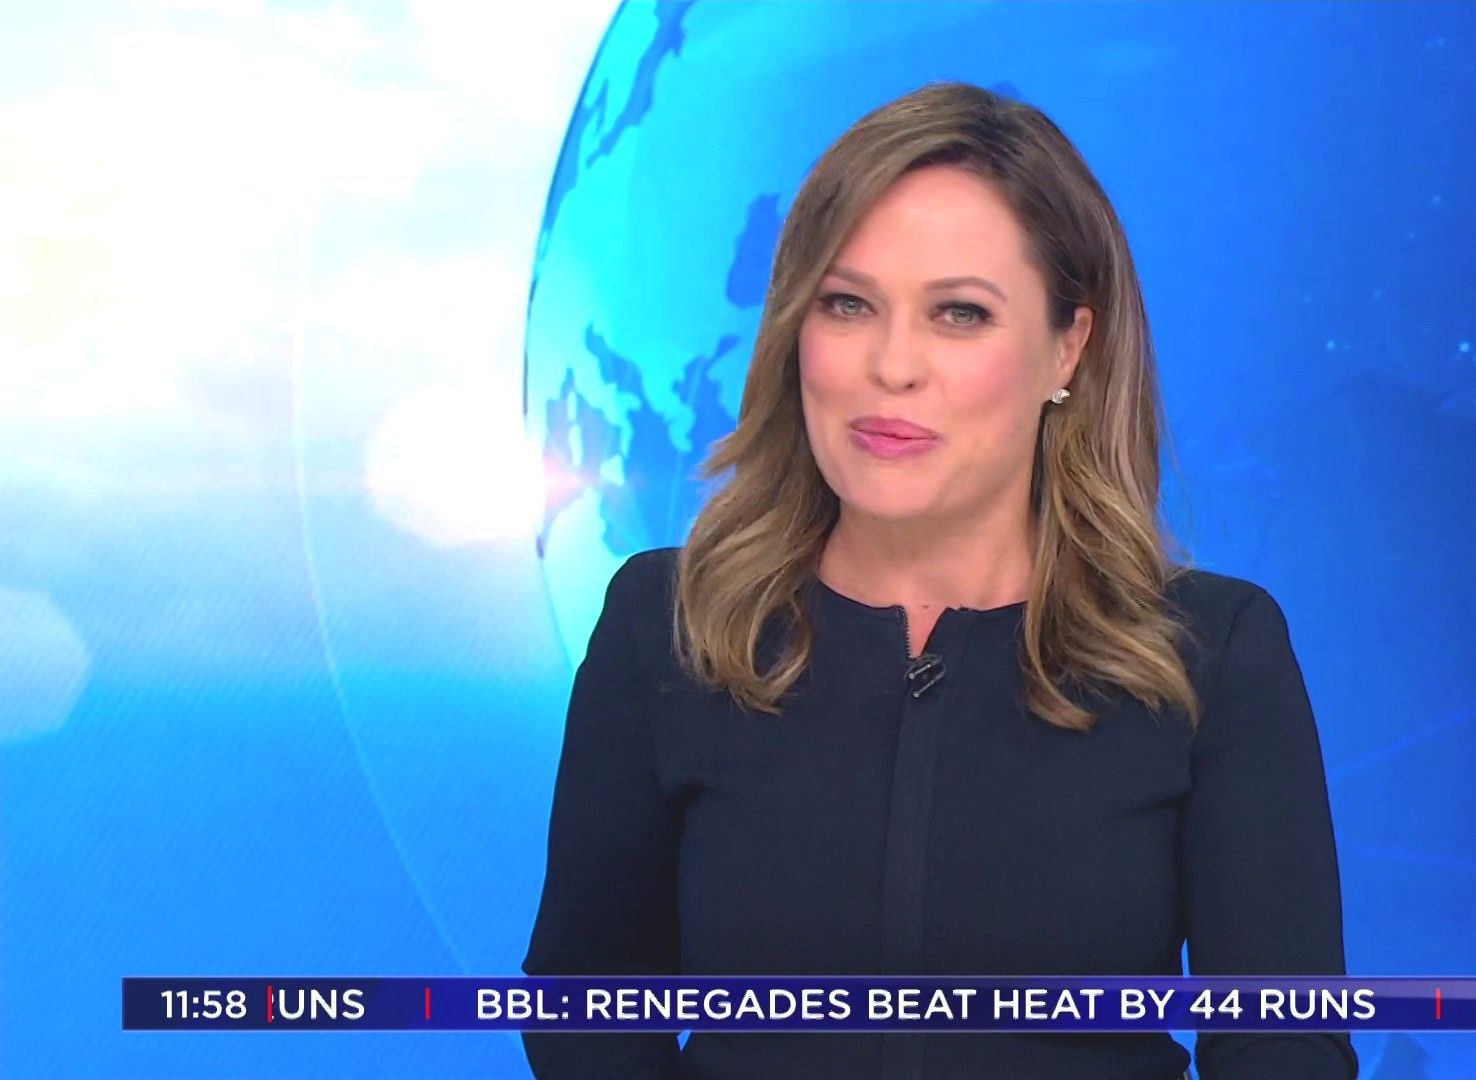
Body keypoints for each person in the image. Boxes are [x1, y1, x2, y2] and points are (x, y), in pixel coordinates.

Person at [521, 80, 1357, 1080]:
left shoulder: (1212, 655)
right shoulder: (667, 626)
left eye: (960, 314)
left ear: (1068, 348)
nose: (892, 365)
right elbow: (585, 1008)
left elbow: (1281, 1038)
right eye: (847, 304)